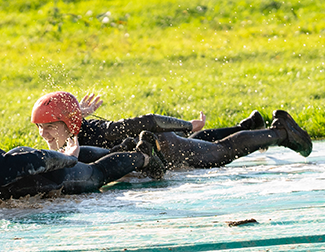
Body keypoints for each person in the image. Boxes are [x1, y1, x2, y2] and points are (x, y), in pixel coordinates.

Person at [31, 92, 312, 170]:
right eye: (40, 127)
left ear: (69, 122)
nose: (43, 134)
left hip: (166, 146)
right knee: (204, 146)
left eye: (49, 126)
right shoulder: (71, 136)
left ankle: (280, 132)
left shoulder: (99, 130)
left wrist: (189, 125)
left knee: (219, 153)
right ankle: (247, 129)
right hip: (160, 148)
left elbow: (150, 120)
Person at [0, 121, 167, 202]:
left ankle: (144, 155)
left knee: (94, 176)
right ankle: (120, 148)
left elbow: (42, 159)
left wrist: (69, 158)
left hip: (41, 173)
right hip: (18, 163)